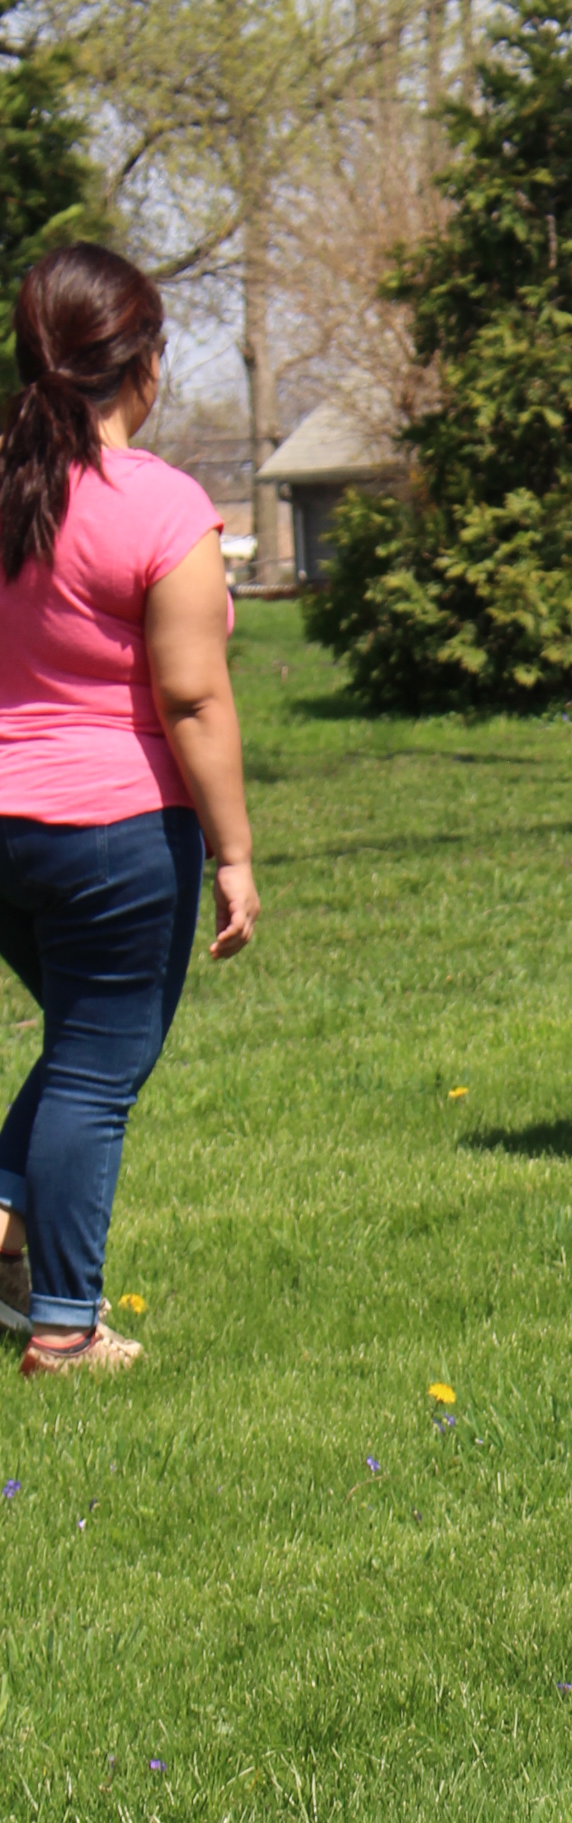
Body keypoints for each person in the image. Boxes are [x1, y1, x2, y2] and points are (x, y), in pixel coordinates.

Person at [0, 245, 259, 1377]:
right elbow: (192, 697)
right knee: (99, 1069)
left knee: (82, 1045)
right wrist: (235, 851)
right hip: (113, 831)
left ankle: (8, 1236)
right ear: (143, 365)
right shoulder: (158, 503)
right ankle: (64, 1330)